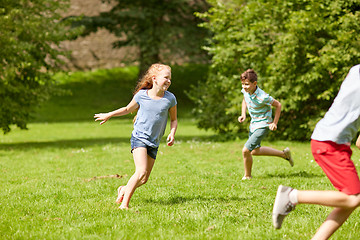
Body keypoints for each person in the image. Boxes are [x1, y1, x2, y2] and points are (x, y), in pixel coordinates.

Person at [272, 64, 360, 239]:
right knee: (353, 198)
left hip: (331, 141)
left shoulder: (355, 71)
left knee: (348, 202)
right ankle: (292, 196)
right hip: (330, 143)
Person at [94, 63, 177, 209]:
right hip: (139, 137)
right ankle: (124, 205)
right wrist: (109, 114)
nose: (169, 81)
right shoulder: (142, 96)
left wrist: (172, 132)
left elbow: (174, 119)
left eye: (170, 78)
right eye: (166, 78)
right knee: (140, 171)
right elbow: (127, 109)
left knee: (144, 179)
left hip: (154, 142)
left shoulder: (170, 99)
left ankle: (124, 189)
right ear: (154, 79)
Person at [238, 69, 294, 180]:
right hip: (253, 124)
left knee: (246, 150)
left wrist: (274, 123)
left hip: (263, 124)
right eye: (243, 84)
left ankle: (247, 176)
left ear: (255, 84)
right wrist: (243, 114)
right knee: (254, 151)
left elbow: (278, 105)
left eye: (247, 84)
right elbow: (245, 99)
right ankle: (284, 154)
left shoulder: (263, 97)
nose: (244, 87)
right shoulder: (246, 91)